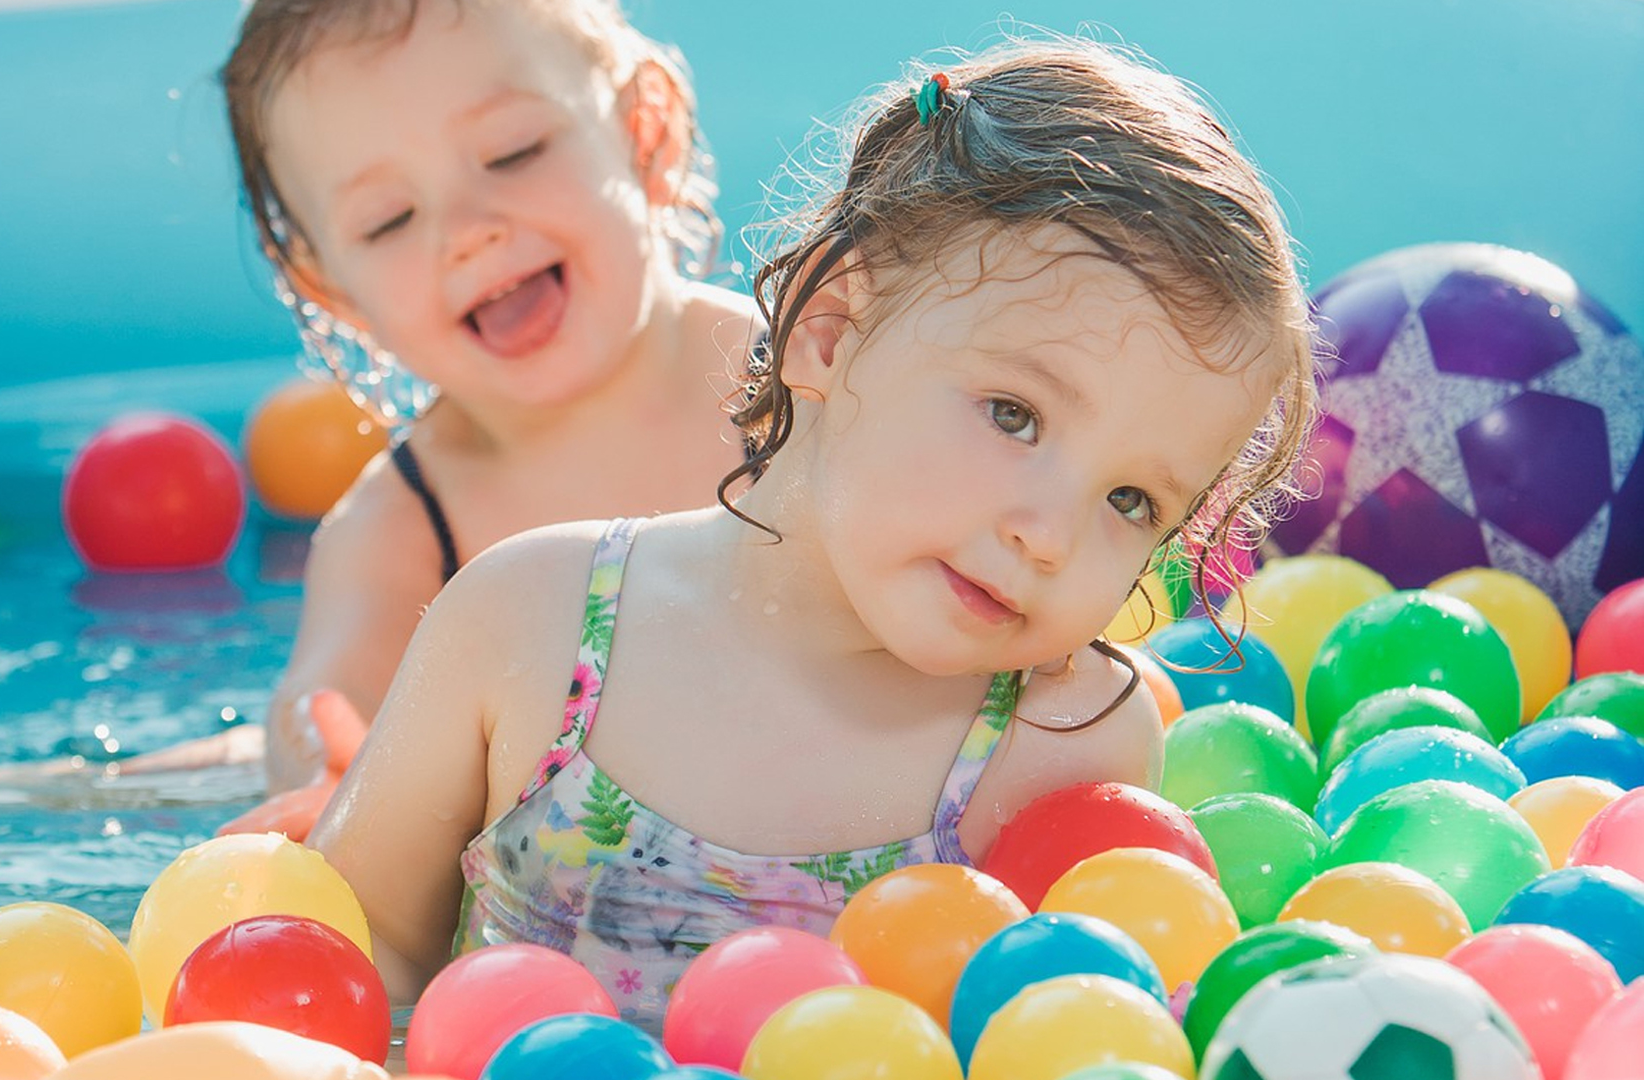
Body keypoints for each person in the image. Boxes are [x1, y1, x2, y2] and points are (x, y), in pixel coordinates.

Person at [307, 37, 1320, 1030]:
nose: (1050, 538)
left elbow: (1068, 1037)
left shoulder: (1065, 742)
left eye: (1132, 501)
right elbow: (353, 963)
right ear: (827, 329)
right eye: (1015, 415)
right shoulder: (529, 623)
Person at [200, 0, 765, 837]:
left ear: (645, 133)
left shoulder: (807, 377)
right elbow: (327, 700)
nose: (467, 231)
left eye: (514, 152)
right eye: (390, 219)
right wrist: (327, 765)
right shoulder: (405, 529)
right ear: (334, 289)